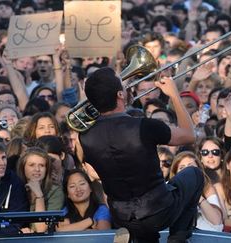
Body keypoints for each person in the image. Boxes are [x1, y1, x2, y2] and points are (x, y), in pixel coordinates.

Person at [78, 67, 202, 243]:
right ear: (120, 95)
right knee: (194, 174)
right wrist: (174, 95)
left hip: (122, 217)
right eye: (123, 84)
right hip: (159, 211)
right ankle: (178, 238)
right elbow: (189, 135)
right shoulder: (144, 126)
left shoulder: (84, 137)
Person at [169, 151, 223, 232]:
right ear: (175, 173)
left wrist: (197, 196)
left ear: (199, 170)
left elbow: (217, 221)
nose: (187, 171)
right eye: (182, 168)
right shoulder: (169, 189)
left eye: (190, 167)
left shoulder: (207, 188)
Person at [16, 147, 64, 233]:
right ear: (23, 167)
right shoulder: (14, 187)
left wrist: (39, 195)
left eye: (41, 165)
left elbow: (40, 228)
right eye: (32, 165)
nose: (37, 169)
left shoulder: (55, 192)